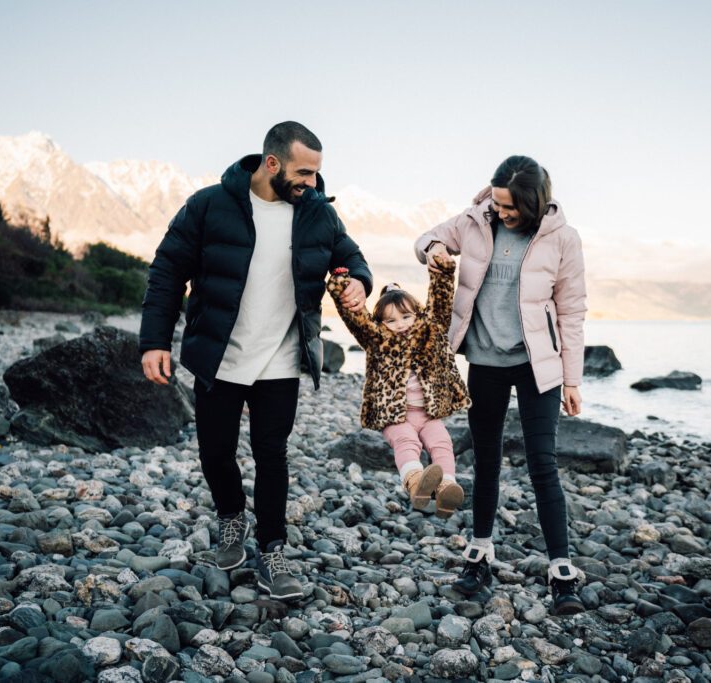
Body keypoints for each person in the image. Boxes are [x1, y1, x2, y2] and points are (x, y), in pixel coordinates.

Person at [139, 121, 372, 602]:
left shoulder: (317, 215)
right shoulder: (210, 205)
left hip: (281, 359)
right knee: (216, 452)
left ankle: (272, 551)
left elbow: (351, 256)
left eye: (316, 173)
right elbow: (167, 271)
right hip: (219, 356)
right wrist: (154, 341)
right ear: (272, 164)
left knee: (272, 455)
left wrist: (359, 282)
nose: (312, 183)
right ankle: (230, 517)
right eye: (304, 172)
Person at [414, 155, 588, 615]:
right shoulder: (474, 221)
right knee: (487, 458)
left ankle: (561, 569)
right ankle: (480, 552)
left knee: (542, 464)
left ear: (533, 202)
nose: (502, 212)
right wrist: (432, 250)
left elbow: (571, 312)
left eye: (510, 207)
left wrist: (572, 378)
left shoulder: (563, 239)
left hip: (538, 367)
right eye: (498, 202)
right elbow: (426, 237)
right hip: (486, 362)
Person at [326, 257, 469, 516]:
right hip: (395, 416)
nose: (401, 324)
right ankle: (415, 482)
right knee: (406, 443)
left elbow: (441, 300)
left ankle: (447, 486)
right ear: (380, 324)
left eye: (406, 316)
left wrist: (443, 272)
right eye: (391, 321)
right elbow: (354, 316)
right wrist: (340, 286)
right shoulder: (377, 339)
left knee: (442, 443)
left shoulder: (430, 332)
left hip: (428, 415)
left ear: (418, 314)